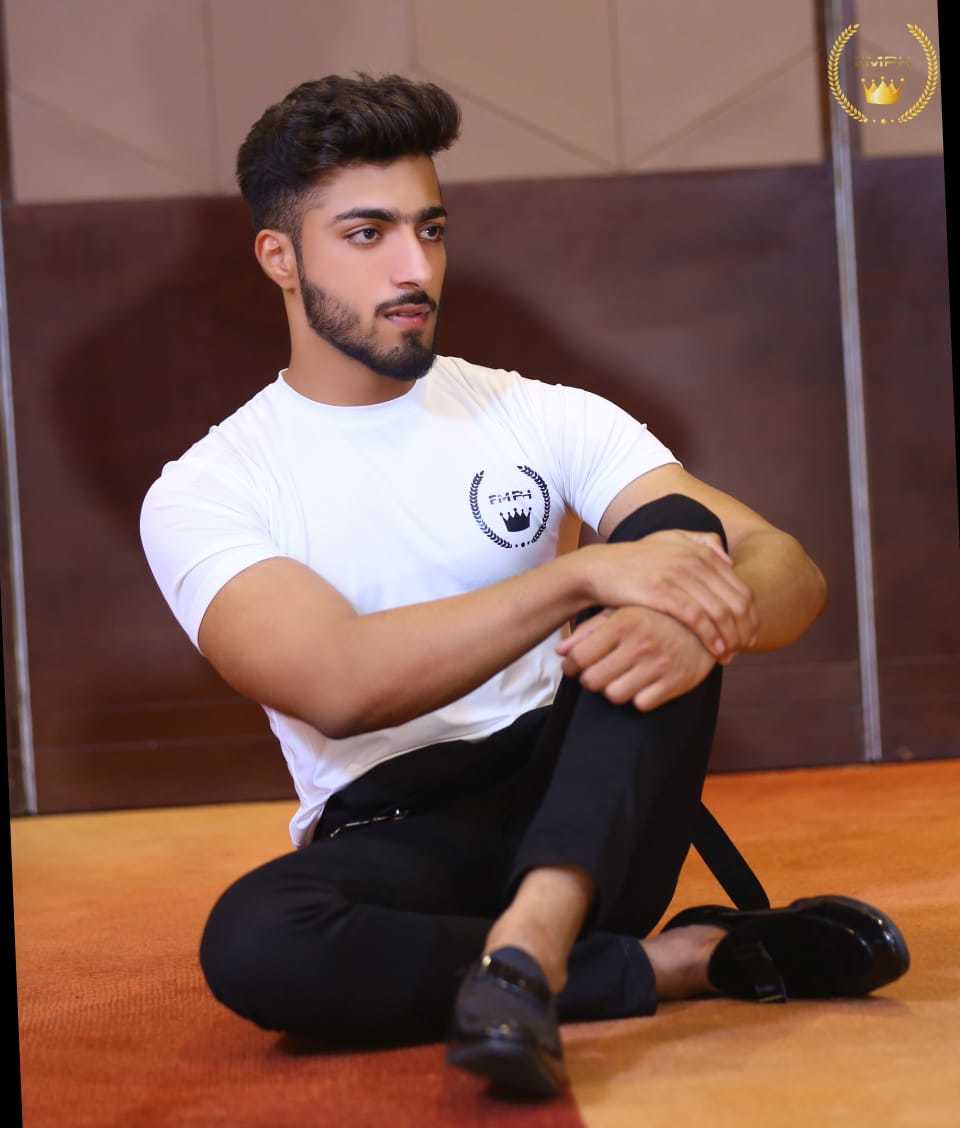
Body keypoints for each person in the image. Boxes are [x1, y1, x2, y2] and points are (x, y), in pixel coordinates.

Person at [140, 73, 909, 1098]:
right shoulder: (208, 487)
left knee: (679, 535)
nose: (415, 268)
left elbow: (786, 567)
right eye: (367, 234)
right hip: (403, 843)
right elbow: (338, 682)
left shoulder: (541, 415)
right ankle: (678, 962)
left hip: (586, 798)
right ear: (279, 257)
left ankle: (535, 950)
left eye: (431, 229)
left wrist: (701, 623)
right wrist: (578, 575)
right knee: (254, 941)